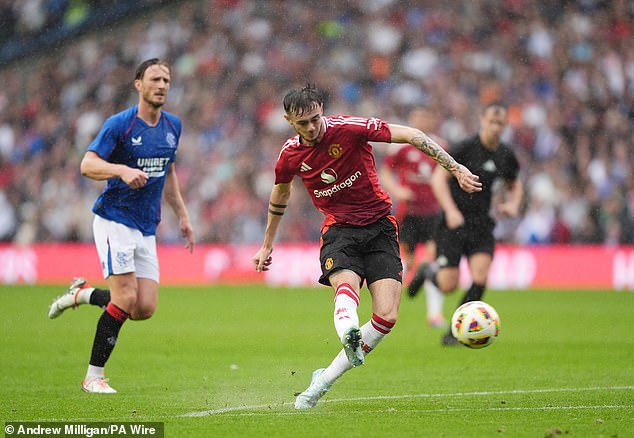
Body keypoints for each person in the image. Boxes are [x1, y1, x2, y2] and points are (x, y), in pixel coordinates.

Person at [252, 84, 482, 409]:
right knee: (347, 288)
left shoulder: (349, 128)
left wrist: (455, 168)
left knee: (386, 317)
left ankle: (324, 379)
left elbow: (413, 135)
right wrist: (267, 244)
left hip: (380, 229)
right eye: (303, 123)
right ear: (289, 121)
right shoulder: (290, 156)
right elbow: (280, 196)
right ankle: (347, 332)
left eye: (316, 118)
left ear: (322, 109)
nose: (312, 127)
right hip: (340, 231)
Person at [47, 58, 195, 393]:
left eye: (166, 80)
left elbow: (168, 173)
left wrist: (183, 217)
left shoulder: (173, 126)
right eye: (155, 79)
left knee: (143, 308)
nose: (161, 85)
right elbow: (87, 164)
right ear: (138, 84)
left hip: (146, 226)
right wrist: (121, 170)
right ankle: (93, 377)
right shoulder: (121, 124)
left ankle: (81, 294)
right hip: (115, 219)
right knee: (125, 297)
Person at [414, 102, 523, 345]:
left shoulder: (506, 155)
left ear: (505, 125)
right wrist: (451, 210)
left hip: (482, 224)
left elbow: (515, 183)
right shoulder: (464, 148)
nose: (495, 127)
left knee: (480, 278)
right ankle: (429, 273)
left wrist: (513, 204)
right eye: (492, 121)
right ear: (482, 120)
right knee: (448, 285)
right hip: (453, 223)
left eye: (500, 123)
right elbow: (438, 179)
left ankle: (455, 331)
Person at [378, 107, 447, 328]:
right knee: (405, 261)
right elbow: (386, 172)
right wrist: (397, 191)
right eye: (418, 117)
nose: (422, 121)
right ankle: (388, 310)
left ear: (432, 120)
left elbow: (448, 175)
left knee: (435, 259)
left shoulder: (439, 146)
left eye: (426, 117)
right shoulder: (402, 146)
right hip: (409, 213)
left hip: (433, 212)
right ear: (412, 119)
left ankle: (434, 314)